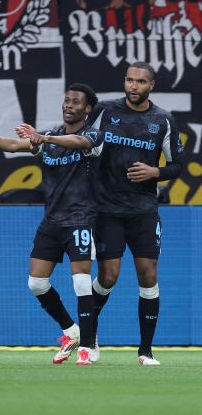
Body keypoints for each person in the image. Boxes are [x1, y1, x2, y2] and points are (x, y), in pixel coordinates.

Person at [0, 83, 102, 366]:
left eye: (76, 102)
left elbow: (79, 143)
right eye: (66, 100)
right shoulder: (51, 136)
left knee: (81, 282)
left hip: (80, 218)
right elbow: (17, 145)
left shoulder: (92, 135)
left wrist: (42, 138)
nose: (69, 105)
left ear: (87, 109)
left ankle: (88, 347)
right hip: (52, 221)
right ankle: (71, 331)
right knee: (36, 283)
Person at [87, 62, 184, 366]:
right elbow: (82, 143)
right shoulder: (104, 110)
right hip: (107, 210)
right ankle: (89, 339)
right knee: (108, 276)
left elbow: (178, 165)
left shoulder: (163, 120)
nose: (133, 86)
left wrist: (155, 171)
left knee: (149, 275)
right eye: (129, 80)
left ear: (151, 85)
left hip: (143, 211)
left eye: (140, 81)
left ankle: (145, 351)